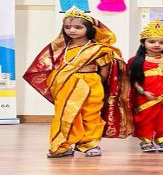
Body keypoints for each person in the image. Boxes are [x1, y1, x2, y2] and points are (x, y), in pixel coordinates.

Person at [23, 8, 133, 157]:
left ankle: (89, 144)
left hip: (91, 83)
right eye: (67, 27)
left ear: (89, 29)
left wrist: (93, 83)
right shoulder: (59, 48)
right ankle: (62, 146)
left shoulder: (99, 49)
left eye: (78, 27)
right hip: (65, 84)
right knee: (65, 114)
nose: (72, 30)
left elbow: (104, 71)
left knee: (91, 114)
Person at [129, 19, 163, 152]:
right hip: (146, 97)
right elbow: (134, 80)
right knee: (145, 119)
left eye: (162, 42)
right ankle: (146, 141)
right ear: (143, 43)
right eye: (152, 41)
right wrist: (143, 92)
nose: (157, 45)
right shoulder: (136, 61)